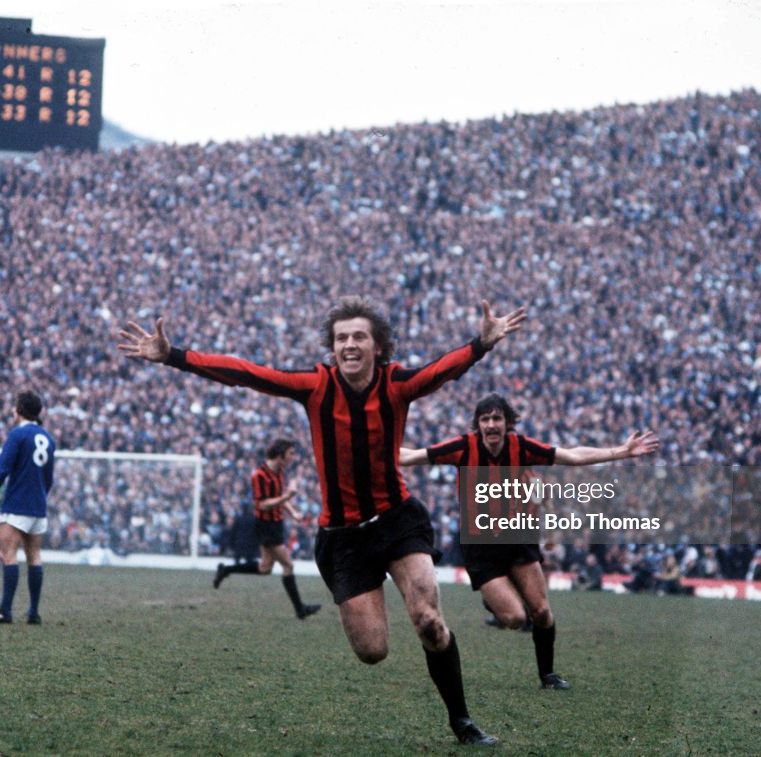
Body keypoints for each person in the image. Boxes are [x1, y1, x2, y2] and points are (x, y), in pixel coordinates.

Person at [119, 296, 525, 746]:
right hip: (343, 536)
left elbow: (439, 370)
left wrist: (480, 345)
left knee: (429, 622)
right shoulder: (315, 384)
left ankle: (462, 722)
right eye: (341, 338)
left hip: (397, 520)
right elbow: (247, 373)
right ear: (332, 347)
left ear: (378, 346)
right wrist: (173, 356)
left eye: (359, 337)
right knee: (372, 651)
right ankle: (381, 601)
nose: (349, 344)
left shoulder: (396, 384)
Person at [400, 393, 658, 691]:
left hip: (518, 538)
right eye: (485, 419)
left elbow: (571, 457)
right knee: (514, 618)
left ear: (507, 423)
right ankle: (495, 601)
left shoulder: (520, 448)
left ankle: (547, 675)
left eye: (497, 418)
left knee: (542, 612)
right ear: (478, 424)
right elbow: (410, 456)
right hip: (480, 546)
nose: (491, 424)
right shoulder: (463, 447)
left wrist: (622, 452)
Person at [213, 439, 322, 620]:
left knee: (265, 568)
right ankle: (300, 609)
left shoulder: (279, 472)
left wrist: (293, 512)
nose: (292, 458)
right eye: (290, 454)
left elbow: (278, 497)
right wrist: (287, 496)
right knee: (288, 564)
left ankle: (226, 570)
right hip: (266, 527)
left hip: (276, 523)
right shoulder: (259, 476)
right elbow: (263, 505)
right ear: (280, 455)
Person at [0, 390, 56, 625]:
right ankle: (33, 612)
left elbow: (2, 470)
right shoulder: (48, 438)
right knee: (34, 556)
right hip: (38, 506)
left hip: (17, 504)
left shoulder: (18, 435)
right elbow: (48, 479)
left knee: (6, 554)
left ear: (19, 410)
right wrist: (40, 497)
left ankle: (5, 611)